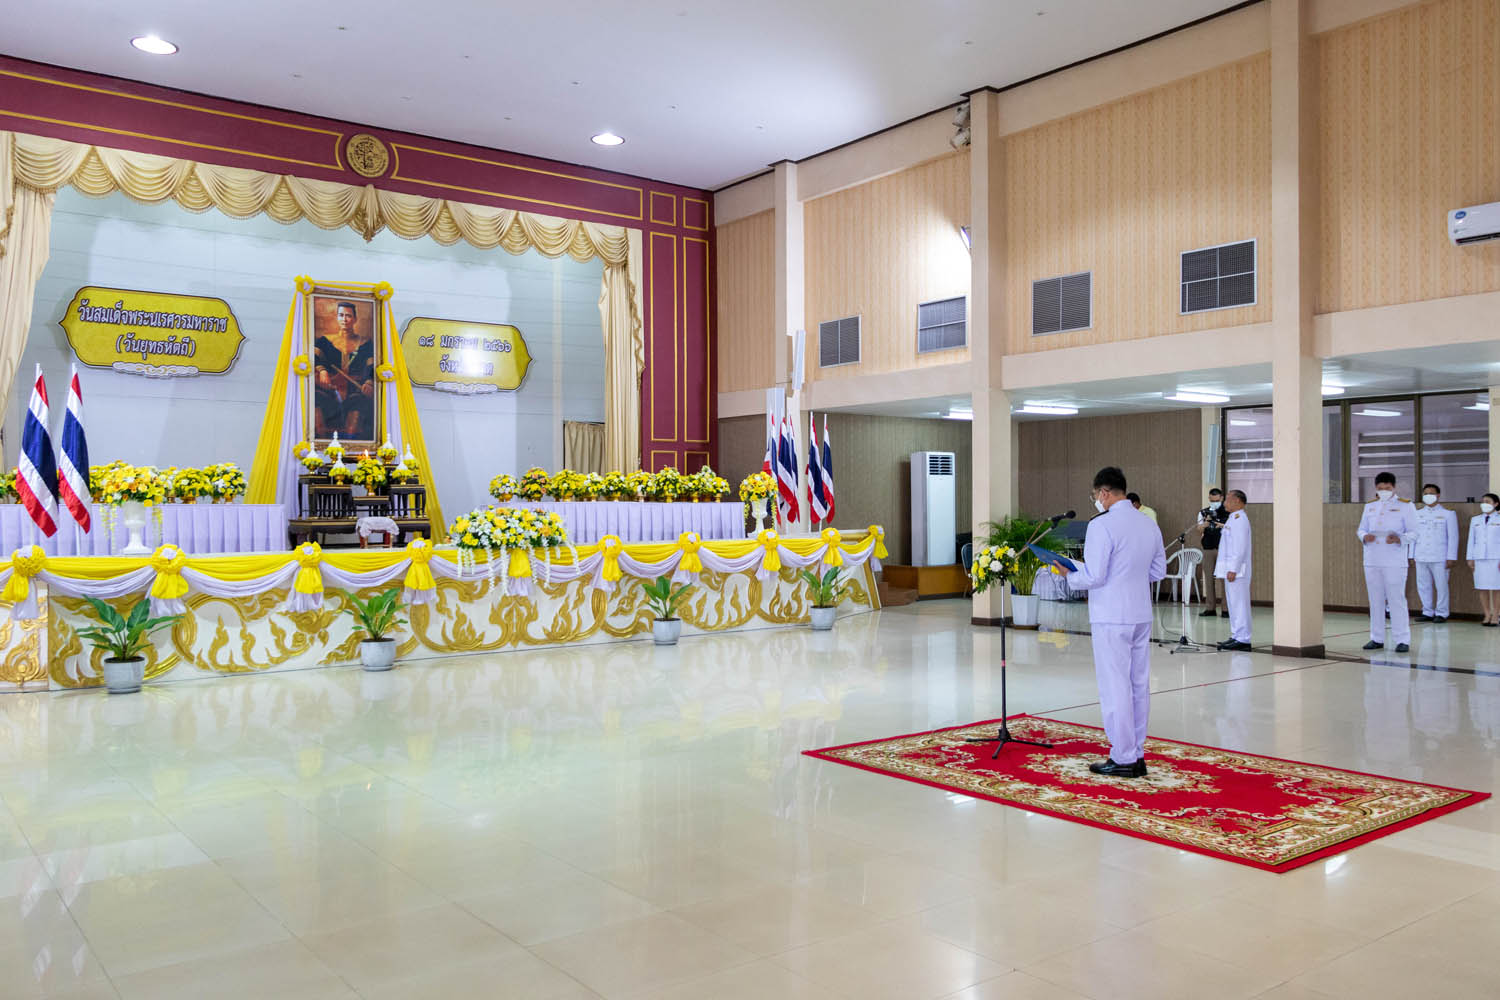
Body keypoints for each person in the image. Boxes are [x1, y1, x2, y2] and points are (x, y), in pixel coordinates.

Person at [1066, 467, 1168, 777]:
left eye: (1096, 495)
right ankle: (1136, 752)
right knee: (1138, 684)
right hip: (1140, 613)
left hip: (1111, 615)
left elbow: (1095, 575)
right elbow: (1158, 571)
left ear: (1104, 493)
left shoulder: (1101, 525)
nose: (1096, 500)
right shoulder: (1148, 524)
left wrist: (1069, 574)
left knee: (1115, 686)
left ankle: (1123, 756)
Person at [1357, 471, 1418, 653]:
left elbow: (1415, 532)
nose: (1383, 491)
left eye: (1387, 488)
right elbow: (1361, 529)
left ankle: (1402, 639)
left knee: (1396, 599)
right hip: (1372, 558)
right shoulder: (1370, 506)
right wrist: (1364, 536)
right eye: (1380, 488)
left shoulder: (1406, 506)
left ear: (1394, 487)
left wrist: (1399, 538)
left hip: (1394, 560)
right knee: (1375, 600)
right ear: (1375, 488)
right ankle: (1376, 638)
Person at [314, 300, 375, 441]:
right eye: (341, 315)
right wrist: (322, 371)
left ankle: (351, 444)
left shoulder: (366, 343)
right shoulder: (324, 341)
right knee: (316, 399)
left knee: (361, 404)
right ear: (337, 317)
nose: (344, 319)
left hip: (355, 391)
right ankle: (319, 445)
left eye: (348, 316)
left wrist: (369, 382)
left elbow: (371, 367)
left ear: (355, 319)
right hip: (330, 391)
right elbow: (313, 359)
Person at [1410, 483, 1458, 624]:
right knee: (1423, 585)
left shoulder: (1448, 514)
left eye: (1431, 493)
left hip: (1440, 556)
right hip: (1421, 554)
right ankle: (1427, 611)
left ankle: (1442, 613)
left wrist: (1451, 557)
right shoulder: (1417, 514)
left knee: (1441, 586)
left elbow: (1453, 537)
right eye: (1425, 494)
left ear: (1438, 495)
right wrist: (1411, 555)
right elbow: (1413, 535)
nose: (1428, 496)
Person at [1214, 490, 1252, 651]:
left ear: (1237, 501)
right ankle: (1236, 635)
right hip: (1231, 570)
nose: (1224, 503)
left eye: (1227, 499)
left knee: (1239, 604)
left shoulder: (1240, 519)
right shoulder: (1233, 518)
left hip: (1237, 571)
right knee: (1233, 603)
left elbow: (1240, 547)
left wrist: (1233, 569)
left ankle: (1243, 639)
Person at [1196, 488, 1230, 619]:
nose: (1214, 503)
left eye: (1216, 500)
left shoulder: (1227, 512)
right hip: (1208, 548)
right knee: (1209, 579)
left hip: (1223, 549)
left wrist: (1220, 524)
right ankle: (1210, 608)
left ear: (1221, 498)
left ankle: (1226, 609)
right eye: (1211, 500)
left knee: (1224, 580)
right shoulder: (1203, 512)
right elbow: (1199, 529)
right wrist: (1204, 524)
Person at [1467, 493, 1500, 626]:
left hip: (1496, 558)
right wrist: (1470, 558)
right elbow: (1471, 540)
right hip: (1479, 558)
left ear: (1496, 504)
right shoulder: (1475, 520)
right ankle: (1487, 614)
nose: (1484, 504)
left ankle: (1496, 615)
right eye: (1483, 501)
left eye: (1487, 501)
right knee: (1482, 587)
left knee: (1497, 588)